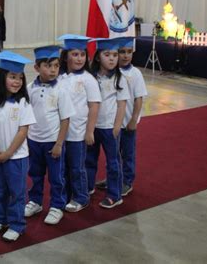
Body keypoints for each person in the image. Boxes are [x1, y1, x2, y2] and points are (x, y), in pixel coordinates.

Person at [0, 51, 36, 242]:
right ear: (1, 77)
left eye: (20, 78)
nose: (17, 82)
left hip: (16, 158)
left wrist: (8, 153)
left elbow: (23, 131)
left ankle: (17, 224)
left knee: (16, 192)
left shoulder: (23, 103)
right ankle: (1, 218)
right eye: (12, 77)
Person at [25, 45, 75, 225]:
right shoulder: (30, 88)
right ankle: (35, 201)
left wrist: (59, 144)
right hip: (34, 140)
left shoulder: (61, 90)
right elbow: (26, 115)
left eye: (55, 65)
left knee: (56, 177)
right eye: (47, 66)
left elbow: (65, 119)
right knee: (35, 173)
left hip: (52, 142)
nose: (53, 70)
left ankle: (57, 205)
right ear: (37, 68)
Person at [95, 37, 147, 197]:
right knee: (114, 155)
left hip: (127, 124)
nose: (125, 56)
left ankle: (127, 181)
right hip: (112, 123)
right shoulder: (110, 73)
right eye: (121, 52)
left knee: (127, 153)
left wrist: (133, 119)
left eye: (129, 52)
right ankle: (113, 180)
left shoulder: (135, 73)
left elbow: (139, 98)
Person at [57, 34, 102, 213]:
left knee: (77, 167)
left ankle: (81, 197)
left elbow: (94, 106)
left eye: (82, 54)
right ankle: (66, 195)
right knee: (63, 168)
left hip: (77, 133)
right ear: (66, 56)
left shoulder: (88, 79)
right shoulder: (60, 77)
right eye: (75, 54)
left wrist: (90, 131)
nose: (79, 58)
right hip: (61, 133)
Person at [86, 38, 130, 209]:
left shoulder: (120, 79)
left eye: (114, 55)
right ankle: (88, 187)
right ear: (98, 57)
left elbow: (122, 105)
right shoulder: (91, 78)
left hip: (110, 128)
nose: (112, 58)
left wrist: (117, 126)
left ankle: (115, 194)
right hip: (93, 127)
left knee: (112, 162)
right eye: (107, 55)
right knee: (89, 158)